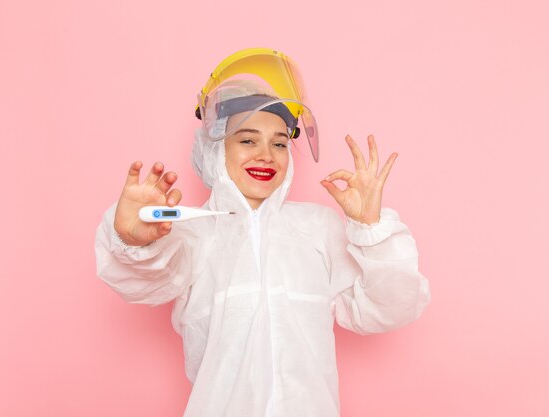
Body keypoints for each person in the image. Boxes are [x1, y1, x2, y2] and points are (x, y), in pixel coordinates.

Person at [95, 48, 430, 417]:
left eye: (280, 143)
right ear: (215, 150)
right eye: (247, 139)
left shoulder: (318, 229)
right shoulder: (193, 234)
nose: (266, 155)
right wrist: (131, 239)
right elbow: (141, 280)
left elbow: (391, 308)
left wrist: (371, 229)